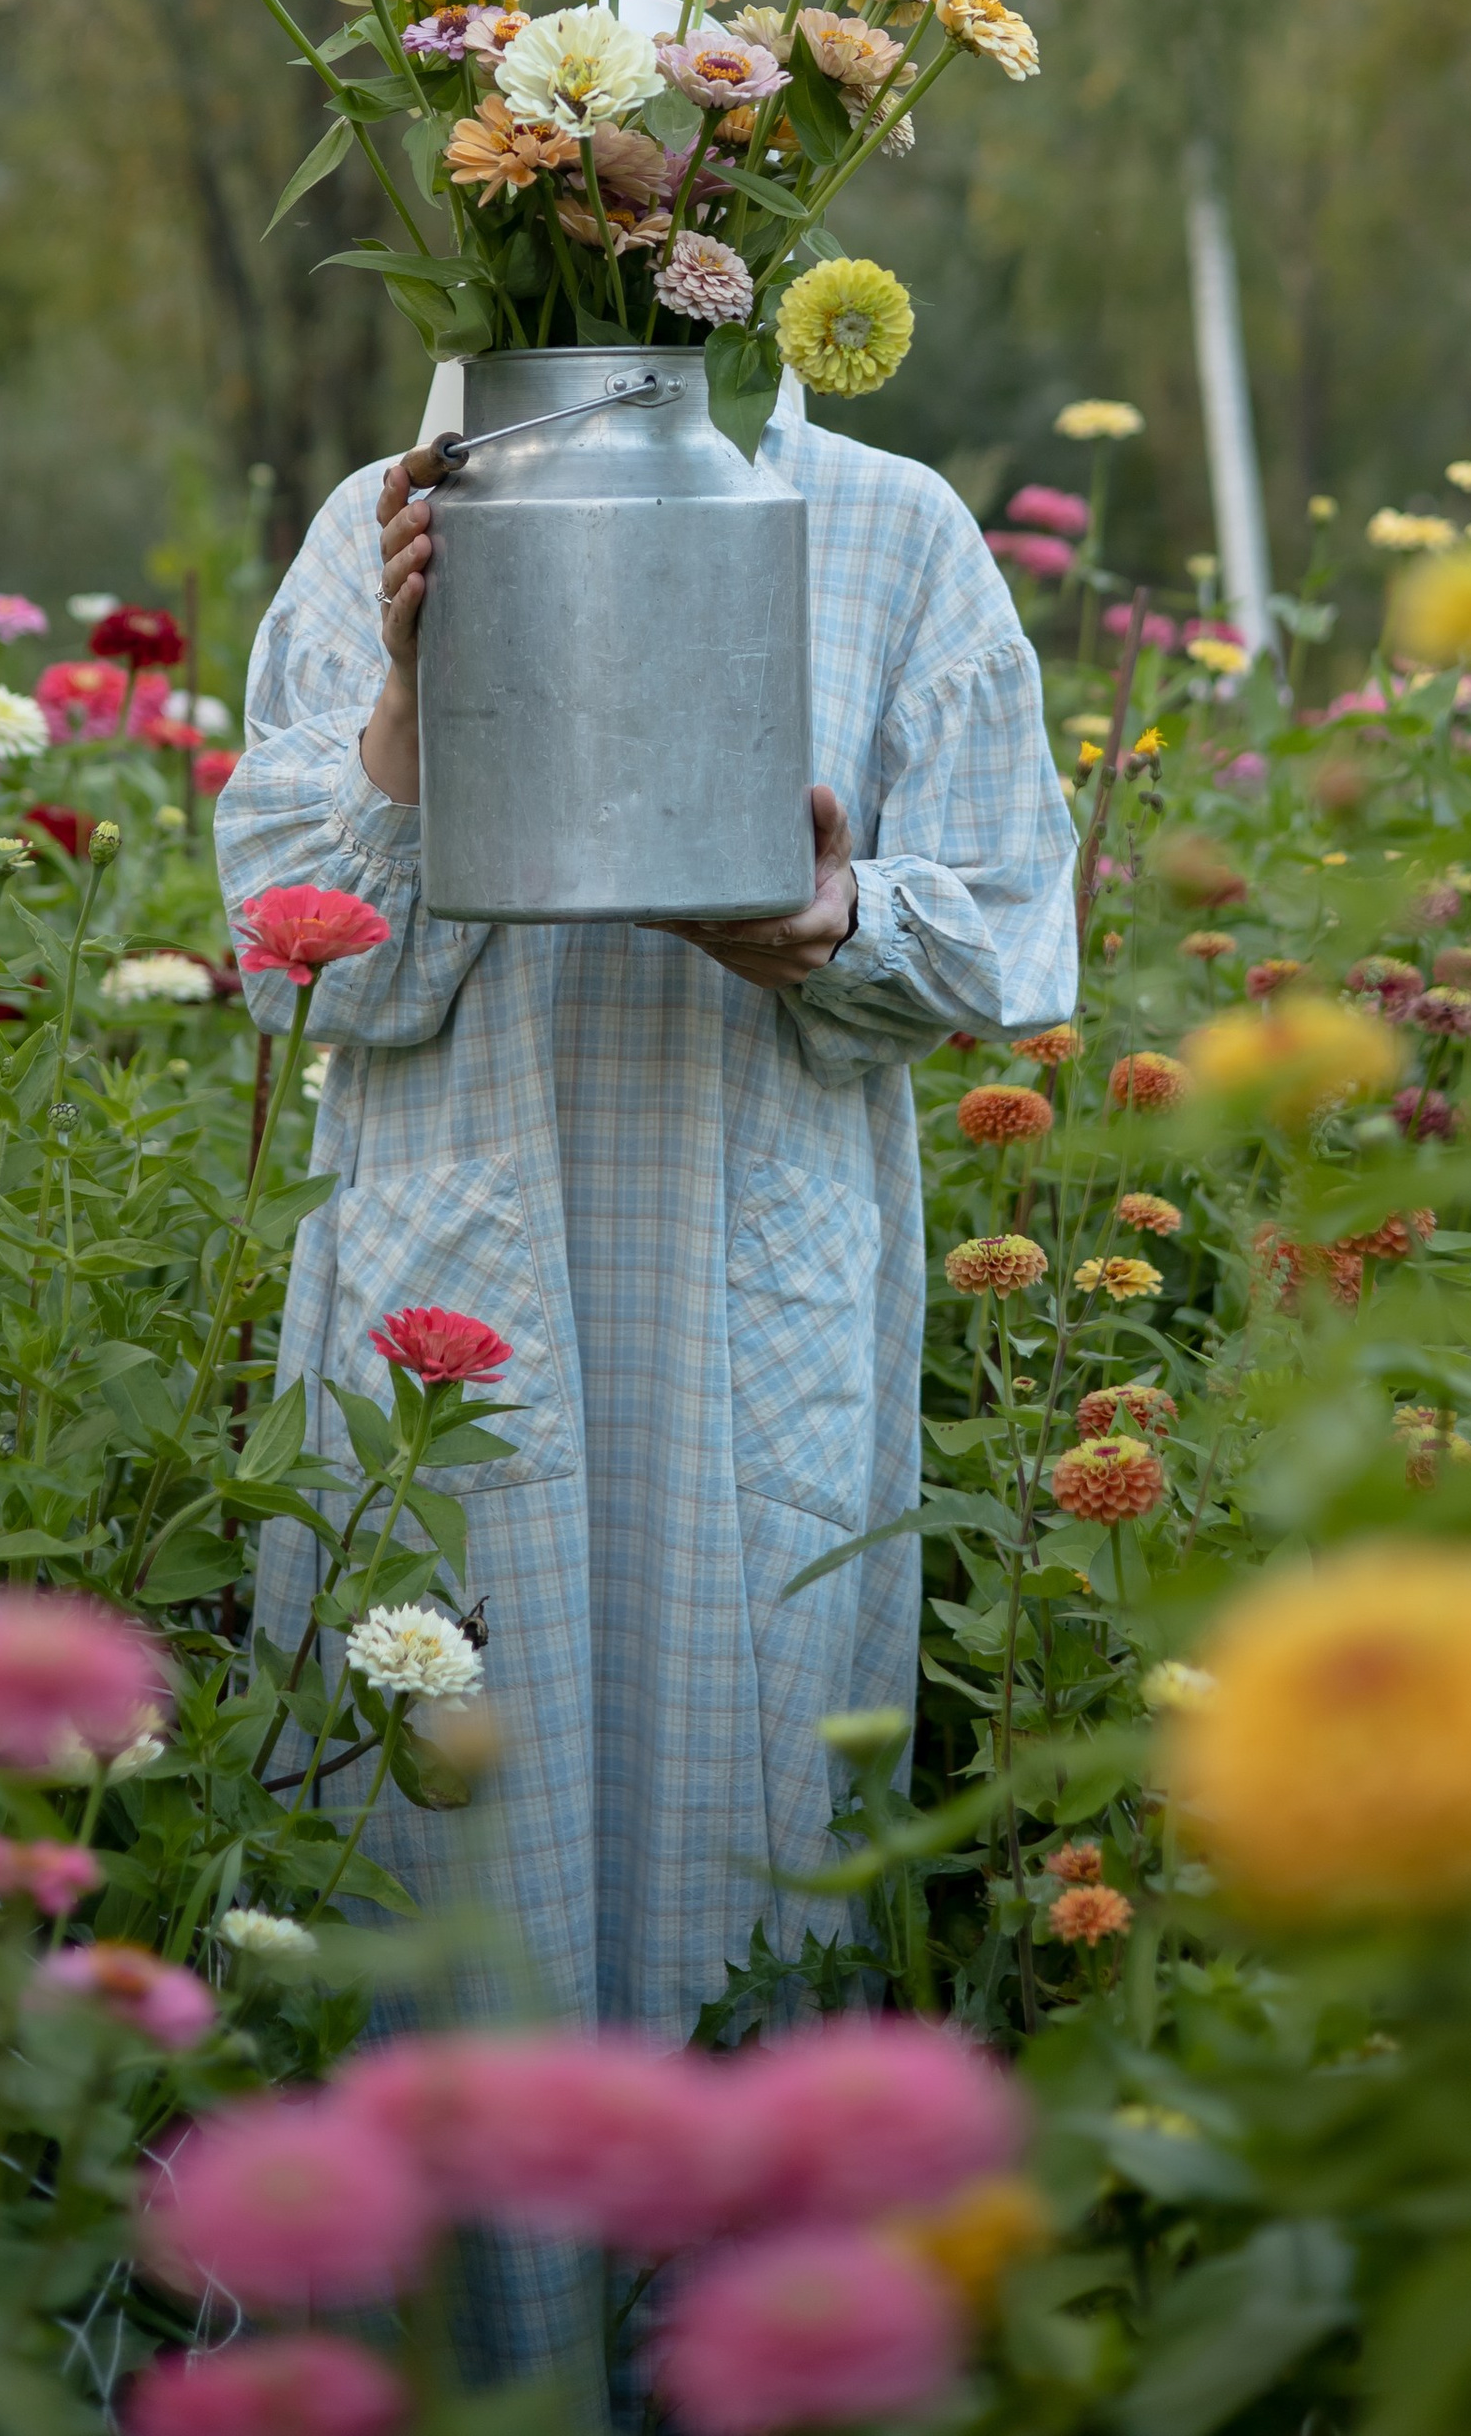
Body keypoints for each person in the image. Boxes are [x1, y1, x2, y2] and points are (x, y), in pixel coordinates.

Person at [215, 375, 1076, 2047]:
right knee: (429, 1847)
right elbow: (290, 965)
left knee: (740, 1828)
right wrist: (410, 703)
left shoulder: (887, 526)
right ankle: (435, 2313)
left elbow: (1013, 936)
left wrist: (843, 920)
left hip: (750, 1286)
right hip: (455, 1274)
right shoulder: (382, 526)